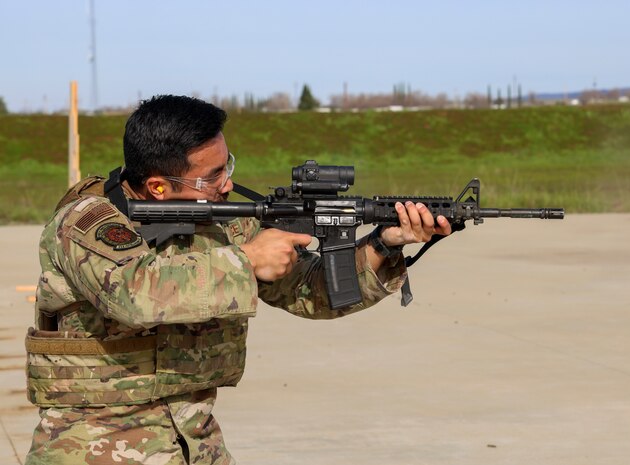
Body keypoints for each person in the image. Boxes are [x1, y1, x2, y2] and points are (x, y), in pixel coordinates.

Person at [24, 95, 452, 465]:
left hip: (195, 443)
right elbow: (137, 293)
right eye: (211, 177)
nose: (228, 183)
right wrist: (246, 261)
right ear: (157, 186)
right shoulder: (86, 223)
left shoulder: (223, 222)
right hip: (92, 446)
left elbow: (311, 292)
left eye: (226, 164)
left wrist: (384, 244)